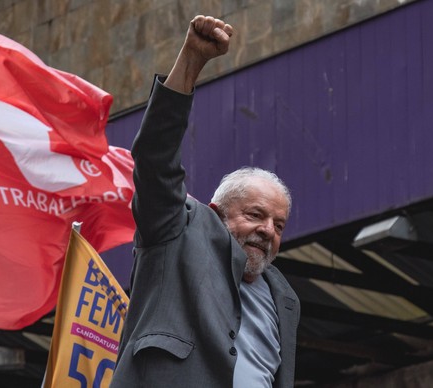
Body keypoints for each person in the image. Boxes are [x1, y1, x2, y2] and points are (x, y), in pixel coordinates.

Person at [110, 15, 300, 388]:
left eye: (278, 225)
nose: (267, 231)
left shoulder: (285, 298)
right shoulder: (178, 233)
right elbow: (155, 158)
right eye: (256, 215)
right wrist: (192, 60)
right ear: (216, 213)